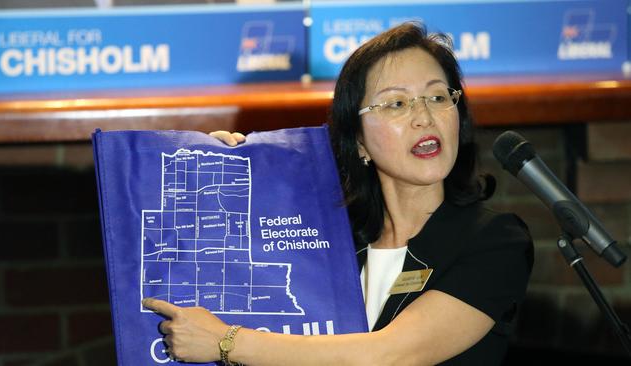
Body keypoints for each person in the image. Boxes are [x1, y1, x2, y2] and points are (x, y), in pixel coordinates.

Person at [142, 22, 534, 365]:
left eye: (437, 97)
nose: (424, 117)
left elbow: (389, 356)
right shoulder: (330, 242)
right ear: (359, 142)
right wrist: (231, 171)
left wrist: (226, 343)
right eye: (397, 103)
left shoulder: (494, 240)